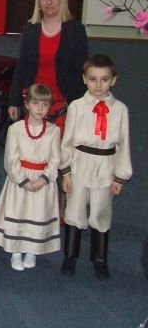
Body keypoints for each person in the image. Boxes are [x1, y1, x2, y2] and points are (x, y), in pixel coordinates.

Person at [59, 54, 131, 279]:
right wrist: (66, 171)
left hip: (106, 165)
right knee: (75, 209)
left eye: (104, 79)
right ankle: (70, 257)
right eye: (92, 79)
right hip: (80, 163)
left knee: (101, 211)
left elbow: (123, 144)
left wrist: (120, 176)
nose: (98, 85)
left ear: (114, 80)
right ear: (84, 79)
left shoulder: (120, 110)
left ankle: (100, 259)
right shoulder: (77, 107)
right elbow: (67, 141)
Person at [0, 84, 61, 271]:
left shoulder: (54, 131)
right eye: (36, 103)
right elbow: (10, 159)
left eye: (45, 105)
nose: (40, 108)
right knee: (18, 212)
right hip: (20, 181)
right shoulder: (16, 129)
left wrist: (44, 179)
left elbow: (55, 160)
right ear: (27, 105)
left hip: (42, 181)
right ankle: (16, 251)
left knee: (37, 213)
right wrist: (23, 180)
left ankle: (31, 251)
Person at [8, 0, 88, 131]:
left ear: (62, 0)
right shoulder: (30, 29)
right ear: (39, 2)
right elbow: (22, 67)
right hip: (34, 100)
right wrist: (14, 101)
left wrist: (82, 103)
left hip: (64, 101)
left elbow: (82, 70)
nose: (49, 2)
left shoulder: (76, 30)